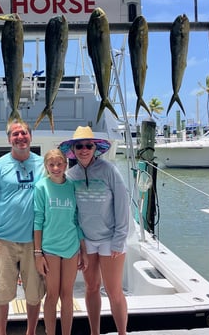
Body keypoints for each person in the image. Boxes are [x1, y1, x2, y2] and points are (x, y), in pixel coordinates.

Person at [59, 126, 130, 335]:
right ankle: (94, 332)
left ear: (95, 148)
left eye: (88, 145)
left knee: (113, 290)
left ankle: (122, 333)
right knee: (91, 287)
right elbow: (72, 214)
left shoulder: (109, 170)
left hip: (110, 239)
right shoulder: (70, 176)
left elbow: (122, 206)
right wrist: (78, 245)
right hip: (86, 241)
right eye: (79, 146)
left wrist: (119, 239)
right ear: (73, 149)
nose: (84, 150)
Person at [0, 119, 45, 335]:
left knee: (34, 293)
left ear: (30, 136)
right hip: (3, 241)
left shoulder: (43, 164)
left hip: (34, 242)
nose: (20, 137)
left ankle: (31, 332)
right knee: (1, 293)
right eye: (15, 134)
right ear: (9, 139)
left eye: (24, 133)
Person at [33, 148, 87, 335]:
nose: (56, 167)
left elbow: (76, 218)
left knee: (67, 294)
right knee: (52, 294)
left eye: (59, 164)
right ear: (46, 166)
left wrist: (83, 250)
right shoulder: (41, 187)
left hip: (71, 247)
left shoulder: (72, 185)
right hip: (50, 249)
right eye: (51, 164)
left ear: (65, 164)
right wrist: (38, 253)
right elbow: (38, 221)